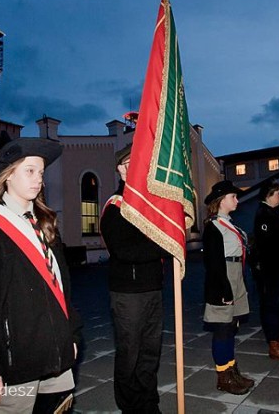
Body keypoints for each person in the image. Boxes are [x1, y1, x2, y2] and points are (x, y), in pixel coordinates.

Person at [0, 137, 82, 414]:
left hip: (56, 357)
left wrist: (71, 336)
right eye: (29, 170)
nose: (39, 179)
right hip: (13, 367)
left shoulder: (44, 225)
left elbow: (63, 289)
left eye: (41, 172)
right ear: (8, 175)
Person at [100, 144, 169, 414]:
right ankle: (130, 406)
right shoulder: (115, 206)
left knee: (151, 352)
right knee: (130, 353)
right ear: (119, 170)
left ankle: (148, 402)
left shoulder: (149, 204)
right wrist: (165, 244)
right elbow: (124, 250)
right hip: (128, 293)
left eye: (137, 163)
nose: (132, 168)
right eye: (127, 164)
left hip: (153, 287)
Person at [202, 180, 254, 395]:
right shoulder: (213, 227)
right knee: (223, 329)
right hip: (223, 279)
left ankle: (232, 371)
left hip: (235, 275)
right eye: (233, 196)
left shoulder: (230, 224)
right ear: (221, 201)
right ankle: (223, 377)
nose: (237, 200)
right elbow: (213, 263)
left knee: (232, 327)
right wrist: (223, 290)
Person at [252, 180, 279, 361]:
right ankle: (273, 344)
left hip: (278, 267)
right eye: (278, 194)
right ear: (269, 195)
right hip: (272, 269)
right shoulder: (264, 215)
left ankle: (277, 339)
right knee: (271, 305)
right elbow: (267, 244)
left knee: (277, 305)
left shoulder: (271, 214)